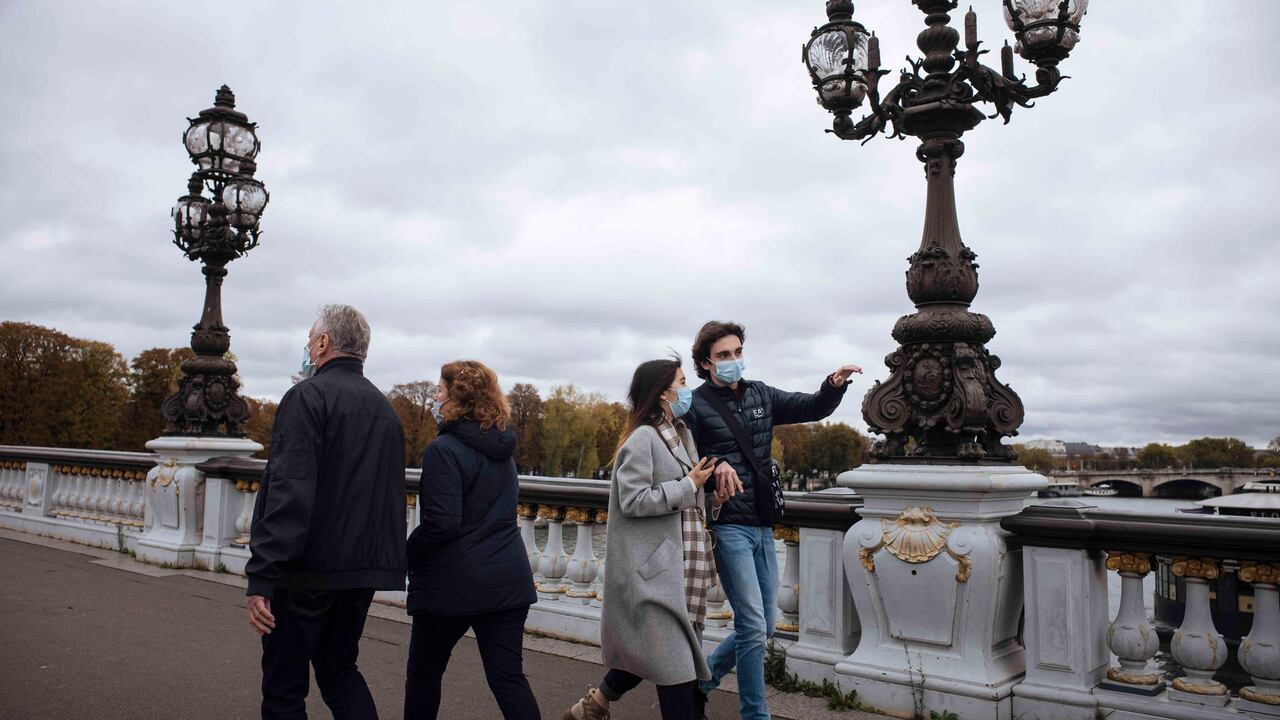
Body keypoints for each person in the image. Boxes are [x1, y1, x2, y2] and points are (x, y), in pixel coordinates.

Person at [684, 321, 861, 720]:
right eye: (724, 356)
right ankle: (755, 715)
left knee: (763, 628)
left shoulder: (761, 393)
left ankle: (704, 681)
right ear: (705, 363)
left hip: (763, 524)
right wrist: (715, 468)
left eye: (737, 352)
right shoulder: (694, 406)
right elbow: (684, 463)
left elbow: (811, 407)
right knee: (750, 624)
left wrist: (833, 385)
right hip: (727, 526)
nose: (733, 361)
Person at [245, 304, 408, 720]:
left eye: (309, 338)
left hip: (306, 570)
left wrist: (263, 572)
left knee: (284, 688)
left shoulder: (307, 397)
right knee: (339, 671)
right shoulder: (385, 411)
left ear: (323, 343)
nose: (306, 345)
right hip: (358, 573)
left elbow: (289, 490)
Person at [563, 357, 736, 720]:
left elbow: (688, 501)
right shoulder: (642, 439)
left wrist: (711, 499)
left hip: (681, 569)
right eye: (682, 382)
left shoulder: (682, 434)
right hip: (655, 577)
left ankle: (592, 707)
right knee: (675, 669)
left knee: (654, 655)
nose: (687, 389)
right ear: (662, 394)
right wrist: (689, 485)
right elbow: (634, 500)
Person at [404, 360, 539, 720]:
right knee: (508, 678)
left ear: (456, 399)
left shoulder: (443, 450)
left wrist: (408, 553)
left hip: (453, 583)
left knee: (424, 674)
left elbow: (442, 524)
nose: (435, 396)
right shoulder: (504, 451)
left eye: (440, 391)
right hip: (507, 578)